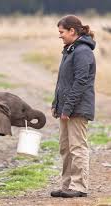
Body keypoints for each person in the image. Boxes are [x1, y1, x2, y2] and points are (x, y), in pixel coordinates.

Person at [51, 15, 96, 198]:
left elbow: (80, 82)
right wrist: (57, 104)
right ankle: (67, 185)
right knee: (65, 147)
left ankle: (79, 186)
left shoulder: (83, 51)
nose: (60, 36)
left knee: (77, 147)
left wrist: (67, 108)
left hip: (77, 109)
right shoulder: (69, 50)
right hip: (67, 108)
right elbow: (63, 81)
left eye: (61, 32)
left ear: (72, 31)